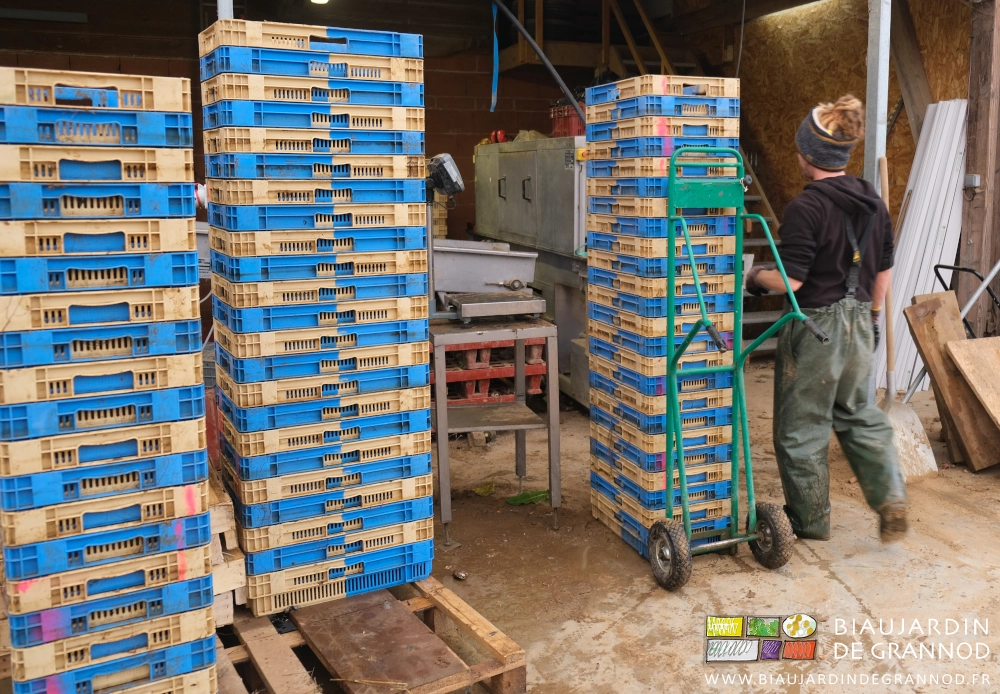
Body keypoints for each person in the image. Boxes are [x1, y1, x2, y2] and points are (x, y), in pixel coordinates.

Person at [745, 95, 907, 543]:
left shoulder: (806, 208)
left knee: (801, 429)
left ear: (807, 153)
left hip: (816, 327)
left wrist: (753, 277)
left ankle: (809, 520)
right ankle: (891, 497)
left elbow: (792, 280)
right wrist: (873, 319)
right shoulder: (872, 200)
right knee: (858, 414)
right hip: (860, 321)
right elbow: (885, 271)